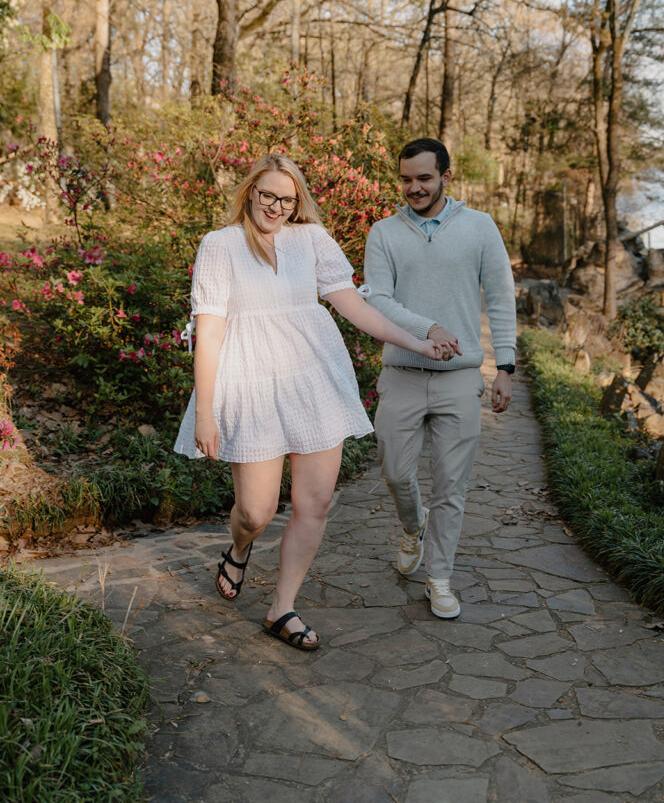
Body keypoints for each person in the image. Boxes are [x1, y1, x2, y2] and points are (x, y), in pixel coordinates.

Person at [174, 153, 444, 651]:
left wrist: (419, 341)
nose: (275, 207)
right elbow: (208, 333)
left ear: (298, 201)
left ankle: (282, 608)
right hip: (251, 385)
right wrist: (206, 411)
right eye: (267, 194)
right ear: (250, 190)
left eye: (287, 198)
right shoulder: (221, 245)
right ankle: (238, 547)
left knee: (313, 502)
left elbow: (356, 308)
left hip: (313, 382)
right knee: (255, 512)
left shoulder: (312, 241)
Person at [364, 137, 516, 619]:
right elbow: (377, 300)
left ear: (446, 177)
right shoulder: (383, 233)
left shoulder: (479, 227)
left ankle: (440, 578)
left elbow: (501, 297)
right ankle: (413, 526)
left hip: (459, 377)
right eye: (406, 179)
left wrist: (505, 367)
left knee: (451, 486)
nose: (414, 187)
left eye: (424, 178)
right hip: (402, 373)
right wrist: (426, 329)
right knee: (394, 471)